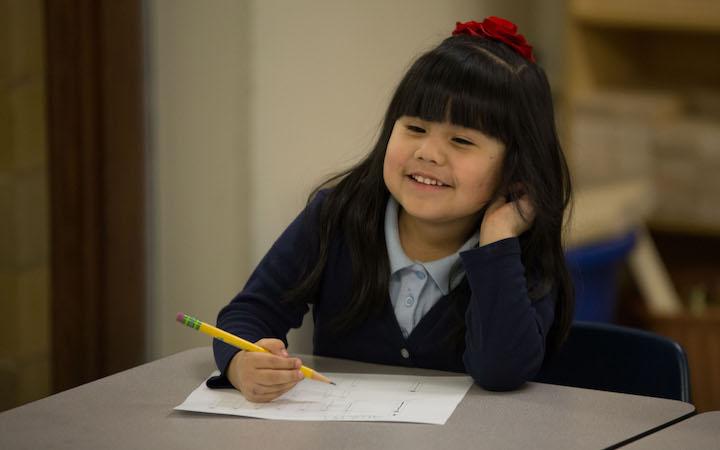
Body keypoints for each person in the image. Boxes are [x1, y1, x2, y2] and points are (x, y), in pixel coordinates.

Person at [212, 16, 573, 403]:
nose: (427, 152)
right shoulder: (337, 216)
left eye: (462, 140)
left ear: (517, 168)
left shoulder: (516, 256)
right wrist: (242, 363)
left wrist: (497, 242)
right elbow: (250, 313)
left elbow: (502, 372)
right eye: (415, 129)